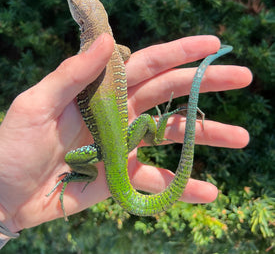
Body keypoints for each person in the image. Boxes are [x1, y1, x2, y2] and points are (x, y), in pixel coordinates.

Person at [0, 34, 252, 245]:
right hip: (116, 144)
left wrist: (6, 208)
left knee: (72, 157)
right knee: (144, 122)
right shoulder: (110, 48)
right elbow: (125, 52)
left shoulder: (92, 48)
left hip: (102, 150)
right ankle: (156, 128)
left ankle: (84, 174)